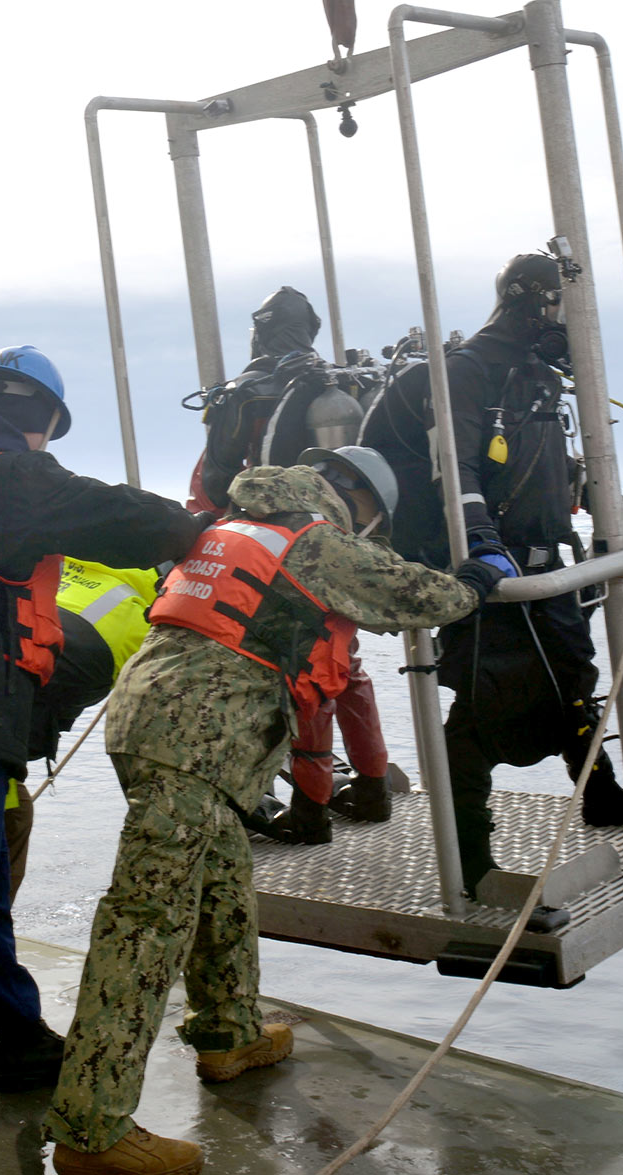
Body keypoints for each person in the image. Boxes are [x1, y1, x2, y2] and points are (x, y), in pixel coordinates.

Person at [44, 454, 503, 1175]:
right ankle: (90, 1127)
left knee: (224, 878)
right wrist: (479, 578)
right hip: (196, 738)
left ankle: (230, 1033)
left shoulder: (231, 526)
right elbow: (420, 594)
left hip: (155, 721)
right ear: (359, 503)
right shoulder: (314, 540)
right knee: (145, 921)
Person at [360, 252, 623, 897]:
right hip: (489, 571)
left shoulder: (534, 378)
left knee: (572, 681)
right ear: (529, 304)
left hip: (546, 560)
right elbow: (456, 467)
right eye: (561, 312)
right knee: (485, 707)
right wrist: (484, 549)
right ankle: (470, 858)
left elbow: (558, 467)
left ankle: (600, 798)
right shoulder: (467, 374)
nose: (571, 331)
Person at [0, 343, 208, 1097]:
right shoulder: (6, 474)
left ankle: (19, 1035)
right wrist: (194, 530)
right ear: (40, 419)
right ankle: (19, 1037)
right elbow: (116, 514)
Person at [188, 286, 391, 837]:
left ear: (260, 330)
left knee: (303, 682)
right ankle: (371, 786)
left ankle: (308, 813)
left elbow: (216, 480)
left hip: (270, 551)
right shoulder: (338, 382)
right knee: (344, 667)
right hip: (341, 539)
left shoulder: (247, 392)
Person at [5, 559, 160, 904]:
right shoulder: (142, 620)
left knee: (12, 806)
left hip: (3, 690)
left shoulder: (55, 564)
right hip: (4, 738)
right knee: (12, 815)